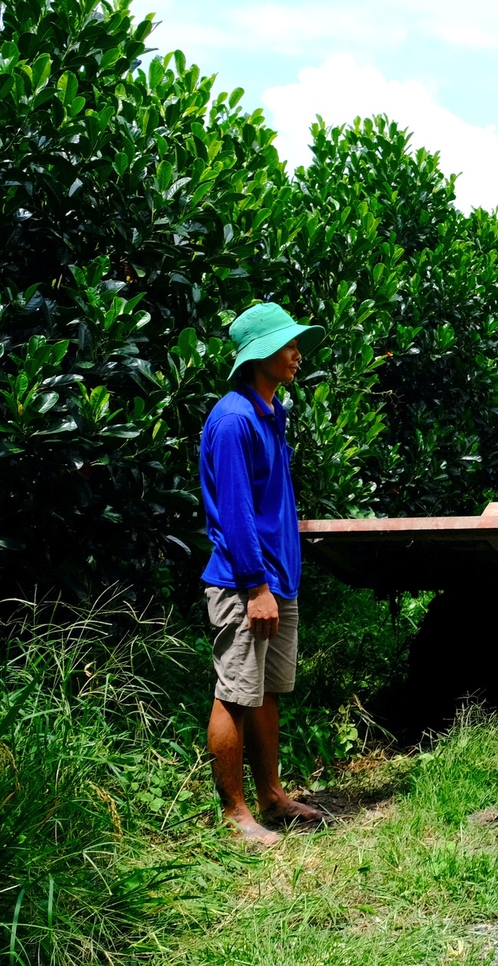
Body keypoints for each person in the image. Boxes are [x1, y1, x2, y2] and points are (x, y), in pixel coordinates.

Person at [199, 301, 328, 843]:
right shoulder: (232, 419)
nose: (297, 354)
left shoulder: (271, 413)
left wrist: (276, 582)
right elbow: (235, 510)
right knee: (234, 692)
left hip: (275, 580)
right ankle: (235, 816)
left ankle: (271, 798)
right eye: (287, 345)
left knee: (265, 691)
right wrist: (255, 585)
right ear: (258, 355)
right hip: (244, 583)